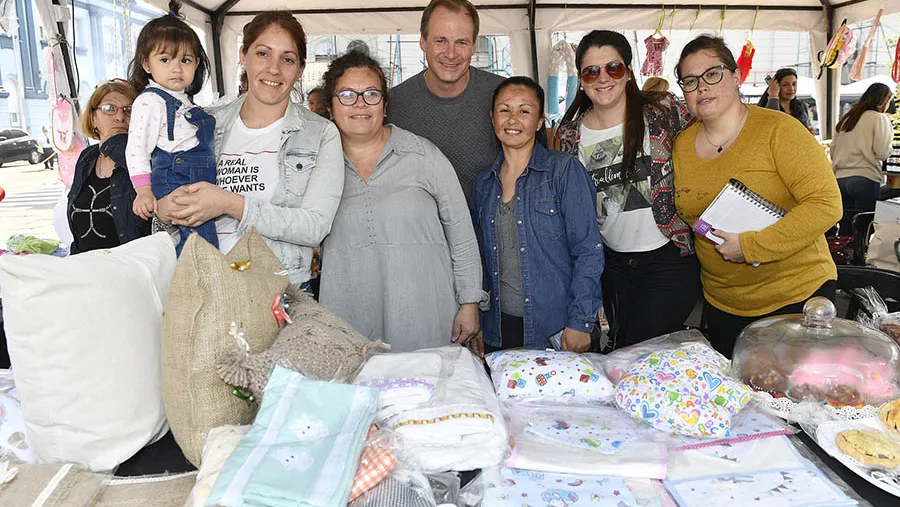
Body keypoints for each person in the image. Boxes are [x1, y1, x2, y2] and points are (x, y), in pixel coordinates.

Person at [672, 36, 841, 357]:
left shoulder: (779, 130)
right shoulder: (681, 145)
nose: (702, 87)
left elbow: (827, 205)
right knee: (741, 398)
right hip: (724, 302)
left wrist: (751, 246)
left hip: (795, 295)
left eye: (713, 74)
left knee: (792, 399)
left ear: (736, 76)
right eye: (690, 81)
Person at [156, 10, 343, 290]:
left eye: (287, 59)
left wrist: (230, 203)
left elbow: (314, 226)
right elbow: (168, 190)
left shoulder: (320, 134)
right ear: (244, 55)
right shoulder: (204, 120)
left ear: (300, 69)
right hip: (205, 282)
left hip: (280, 290)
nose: (274, 69)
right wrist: (164, 208)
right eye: (263, 54)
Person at [318, 51, 481, 352]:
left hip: (426, 320)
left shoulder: (424, 155)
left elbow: (462, 236)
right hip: (349, 324)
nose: (360, 104)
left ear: (385, 104)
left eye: (371, 94)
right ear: (330, 107)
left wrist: (470, 302)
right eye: (347, 95)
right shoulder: (315, 167)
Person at [555, 30, 699, 351]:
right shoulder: (569, 134)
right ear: (581, 79)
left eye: (613, 68)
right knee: (623, 349)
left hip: (669, 258)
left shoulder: (662, 111)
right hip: (612, 264)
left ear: (629, 72)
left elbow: (712, 132)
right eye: (592, 71)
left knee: (637, 351)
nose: (603, 78)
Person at [473, 76, 604, 352]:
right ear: (491, 117)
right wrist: (479, 320)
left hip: (556, 327)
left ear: (540, 120)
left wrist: (581, 321)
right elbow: (481, 260)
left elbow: (588, 251)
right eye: (504, 109)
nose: (512, 119)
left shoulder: (564, 172)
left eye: (524, 110)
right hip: (500, 327)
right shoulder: (484, 183)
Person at [387, 0, 504, 200]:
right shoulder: (393, 105)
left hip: (491, 230)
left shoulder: (504, 97)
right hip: (421, 230)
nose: (451, 54)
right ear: (423, 42)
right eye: (441, 41)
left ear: (474, 46)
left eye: (461, 42)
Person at [125, 0, 216, 254]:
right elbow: (136, 149)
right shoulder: (149, 101)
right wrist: (143, 192)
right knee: (196, 248)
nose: (176, 68)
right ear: (146, 64)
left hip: (197, 179)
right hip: (175, 178)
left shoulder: (185, 101)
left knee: (202, 244)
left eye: (185, 60)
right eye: (165, 59)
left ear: (197, 63)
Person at [67, 80, 150, 254]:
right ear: (93, 118)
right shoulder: (87, 157)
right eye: (109, 109)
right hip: (86, 268)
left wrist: (113, 143)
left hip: (130, 270)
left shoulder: (145, 158)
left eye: (129, 110)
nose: (120, 117)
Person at [831, 82, 893, 235]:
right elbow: (882, 152)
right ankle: (860, 259)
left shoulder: (848, 118)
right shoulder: (878, 118)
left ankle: (845, 258)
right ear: (884, 100)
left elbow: (833, 151)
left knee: (845, 229)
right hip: (864, 178)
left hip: (840, 180)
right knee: (864, 229)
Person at [757, 68, 815, 134]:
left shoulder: (800, 105)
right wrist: (773, 95)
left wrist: (808, 131)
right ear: (776, 87)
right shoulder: (765, 107)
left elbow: (805, 127)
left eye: (794, 84)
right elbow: (771, 124)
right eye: (785, 85)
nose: (791, 88)